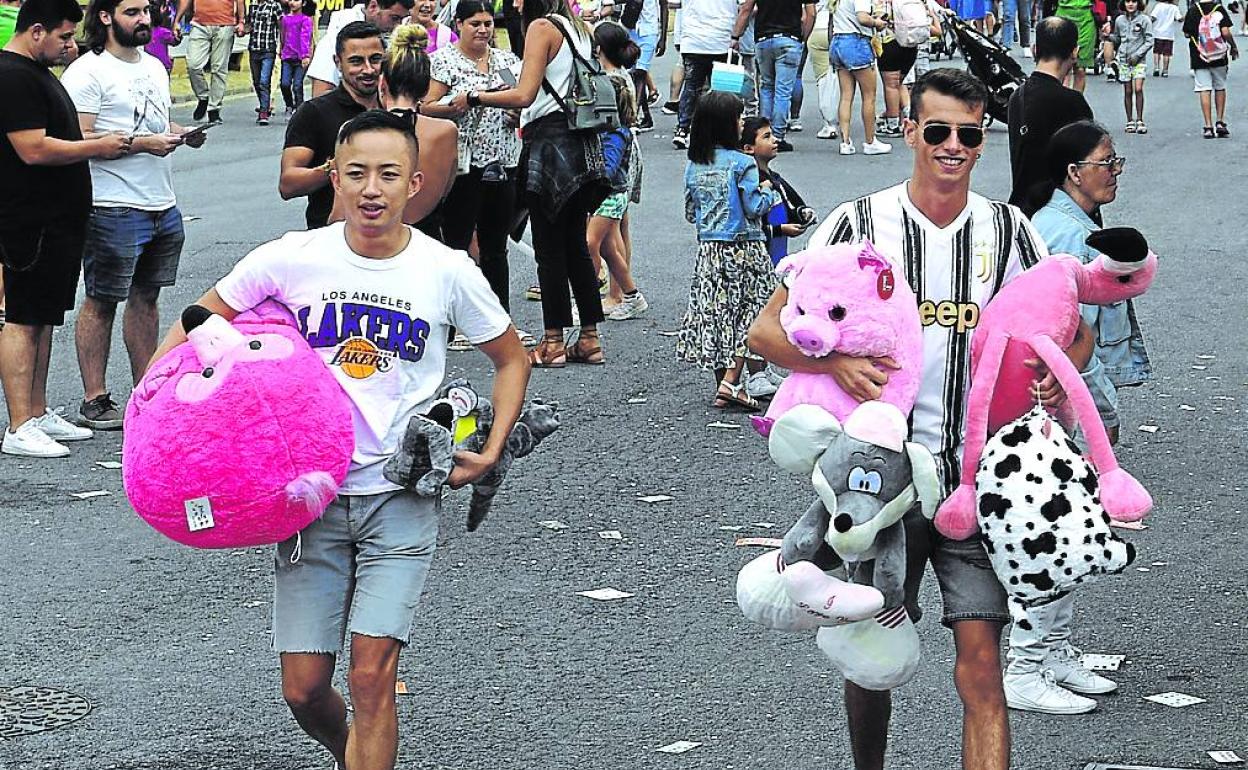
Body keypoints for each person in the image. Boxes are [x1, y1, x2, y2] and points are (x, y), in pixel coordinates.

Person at [148, 108, 530, 770]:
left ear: (416, 183)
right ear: (335, 178)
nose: (372, 189)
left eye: (388, 174)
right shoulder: (290, 259)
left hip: (400, 496)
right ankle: (352, 753)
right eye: (356, 173)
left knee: (371, 677)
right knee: (303, 690)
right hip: (308, 501)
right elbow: (197, 322)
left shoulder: (445, 270)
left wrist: (493, 447)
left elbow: (511, 356)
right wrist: (152, 415)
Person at [753, 69, 1095, 770]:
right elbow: (765, 332)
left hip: (975, 484)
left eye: (968, 135)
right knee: (868, 659)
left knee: (981, 667)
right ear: (908, 130)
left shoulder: (1010, 231)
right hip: (879, 488)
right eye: (936, 130)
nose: (952, 147)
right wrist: (831, 367)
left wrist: (1050, 372)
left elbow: (1076, 336)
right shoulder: (856, 226)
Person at [1009, 120, 1145, 714]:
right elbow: (1062, 332)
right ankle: (1027, 662)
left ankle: (1054, 650)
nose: (1114, 171)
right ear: (1074, 172)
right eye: (1106, 162)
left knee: (1075, 534)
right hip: (1057, 403)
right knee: (1053, 535)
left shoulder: (1068, 223)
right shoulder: (1060, 233)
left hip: (1069, 396)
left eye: (1116, 162)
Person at [61, 0, 207, 431]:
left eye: (146, 10)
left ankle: (147, 389)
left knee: (147, 297)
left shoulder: (155, 67)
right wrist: (144, 144)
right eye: (133, 11)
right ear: (105, 17)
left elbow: (155, 122)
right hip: (111, 204)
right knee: (103, 299)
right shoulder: (87, 72)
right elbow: (78, 137)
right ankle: (95, 397)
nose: (145, 19)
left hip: (161, 200)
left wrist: (181, 133)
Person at [0, 0, 132, 458]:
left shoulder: (35, 74)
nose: (70, 46)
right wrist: (96, 146)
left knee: (44, 317)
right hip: (27, 220)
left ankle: (36, 412)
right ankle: (18, 424)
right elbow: (33, 149)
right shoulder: (12, 75)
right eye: (64, 36)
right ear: (36, 31)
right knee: (21, 318)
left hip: (57, 219)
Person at [456, 0, 613, 368]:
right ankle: (589, 337)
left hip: (550, 143)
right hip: (581, 140)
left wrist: (474, 97)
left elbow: (524, 94)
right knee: (574, 241)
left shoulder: (542, 28)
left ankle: (553, 342)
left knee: (549, 246)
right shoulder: (578, 28)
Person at [679, 91, 779, 412]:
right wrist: (768, 192)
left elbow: (691, 211)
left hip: (709, 250)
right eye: (738, 118)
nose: (741, 123)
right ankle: (731, 383)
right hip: (744, 248)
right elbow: (753, 207)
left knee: (718, 315)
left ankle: (724, 382)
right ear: (726, 125)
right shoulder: (743, 163)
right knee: (753, 312)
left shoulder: (695, 164)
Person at [425, 1, 523, 315]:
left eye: (487, 23)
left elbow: (520, 97)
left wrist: (517, 112)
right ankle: (453, 319)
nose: (482, 30)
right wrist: (455, 106)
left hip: (503, 163)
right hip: (463, 166)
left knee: (497, 247)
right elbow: (424, 106)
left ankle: (499, 318)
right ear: (458, 25)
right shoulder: (443, 62)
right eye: (474, 24)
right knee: (457, 244)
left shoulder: (506, 60)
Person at [324, 24, 459, 237]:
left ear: (382, 84)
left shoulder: (357, 132)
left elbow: (339, 213)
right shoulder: (447, 132)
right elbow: (446, 190)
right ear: (425, 88)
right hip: (427, 239)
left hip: (371, 239)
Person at [282, 21, 384, 228]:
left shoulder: (397, 108)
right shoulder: (314, 112)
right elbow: (288, 184)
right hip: (331, 237)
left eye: (375, 59)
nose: (368, 69)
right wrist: (337, 166)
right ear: (338, 62)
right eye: (356, 61)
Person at [588, 22, 649, 321]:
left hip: (613, 167)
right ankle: (622, 292)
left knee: (605, 233)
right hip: (622, 162)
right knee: (614, 231)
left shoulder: (608, 81)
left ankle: (615, 293)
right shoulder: (621, 75)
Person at [1007, 16, 1092, 207]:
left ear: (1036, 49)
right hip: (1060, 211)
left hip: (1024, 207)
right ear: (1074, 52)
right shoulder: (1072, 102)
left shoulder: (1017, 96)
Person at [731, 0, 816, 151]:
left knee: (766, 87)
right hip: (790, 38)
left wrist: (736, 36)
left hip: (763, 39)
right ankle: (777, 136)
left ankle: (763, 134)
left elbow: (746, 9)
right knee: (783, 91)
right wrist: (803, 38)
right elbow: (810, 13)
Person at [307, 0, 416, 97]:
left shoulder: (391, 37)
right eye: (394, 18)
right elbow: (320, 96)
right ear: (373, 7)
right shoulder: (331, 41)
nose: (398, 25)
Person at [829, 0, 892, 155]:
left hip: (838, 42)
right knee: (869, 96)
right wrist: (877, 23)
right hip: (856, 42)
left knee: (846, 96)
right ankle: (870, 141)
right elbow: (863, 18)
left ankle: (845, 142)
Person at [672, 0, 737, 149]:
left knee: (691, 88)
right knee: (723, 89)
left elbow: (672, 3)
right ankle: (724, 131)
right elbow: (747, 6)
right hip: (722, 39)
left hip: (693, 39)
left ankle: (683, 129)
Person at [174, 0, 244, 122]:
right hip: (199, 24)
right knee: (193, 65)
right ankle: (203, 97)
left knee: (219, 68)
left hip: (225, 24)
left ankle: (214, 110)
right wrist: (176, 21)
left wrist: (241, 21)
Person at [1183, 0, 1238, 138]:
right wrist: (1233, 46)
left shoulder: (1193, 10)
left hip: (1199, 55)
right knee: (1220, 86)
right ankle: (1220, 121)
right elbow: (1225, 32)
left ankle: (1208, 126)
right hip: (1219, 55)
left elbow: (1187, 34)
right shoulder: (1219, 9)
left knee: (1204, 88)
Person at [1109, 0, 1151, 134]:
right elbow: (1117, 38)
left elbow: (1149, 40)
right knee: (1127, 91)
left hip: (1138, 60)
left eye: (1134, 1)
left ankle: (1140, 119)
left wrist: (1138, 55)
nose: (1131, 4)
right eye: (1128, 1)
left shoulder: (1144, 20)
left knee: (1138, 88)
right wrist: (1107, 36)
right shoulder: (1119, 20)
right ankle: (1130, 120)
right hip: (1124, 60)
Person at [625, 0, 668, 131]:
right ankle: (647, 117)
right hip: (630, 29)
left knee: (640, 72)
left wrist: (663, 38)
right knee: (634, 73)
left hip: (649, 31)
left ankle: (634, 116)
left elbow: (664, 7)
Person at [245, 0, 285, 125]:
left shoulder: (274, 6)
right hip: (254, 48)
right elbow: (249, 25)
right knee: (256, 81)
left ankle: (263, 112)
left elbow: (281, 26)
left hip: (268, 49)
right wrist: (242, 29)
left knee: (264, 81)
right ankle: (264, 104)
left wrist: (282, 45)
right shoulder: (253, 6)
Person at [280, 0, 314, 114]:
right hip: (287, 56)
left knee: (297, 85)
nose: (293, 3)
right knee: (284, 84)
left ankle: (299, 110)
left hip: (300, 58)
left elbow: (306, 38)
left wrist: (305, 56)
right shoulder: (285, 19)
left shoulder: (306, 20)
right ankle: (289, 105)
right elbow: (283, 35)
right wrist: (281, 49)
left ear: (303, 3)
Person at [1054, 0, 1095, 91]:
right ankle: (1062, 102)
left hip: (1086, 18)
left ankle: (1076, 103)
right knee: (1063, 68)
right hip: (1062, 16)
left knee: (1080, 69)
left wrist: (1107, 18)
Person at [1149, 0, 1180, 77]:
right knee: (1167, 53)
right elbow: (1179, 18)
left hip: (1158, 33)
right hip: (1169, 34)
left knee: (1157, 52)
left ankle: (1156, 68)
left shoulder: (1158, 6)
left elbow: (1153, 17)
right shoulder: (1174, 8)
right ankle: (1165, 70)